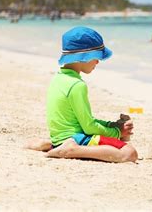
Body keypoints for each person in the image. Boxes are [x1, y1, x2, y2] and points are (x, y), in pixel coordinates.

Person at [26, 26, 138, 163]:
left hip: (59, 137)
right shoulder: (77, 85)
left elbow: (83, 120)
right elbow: (89, 127)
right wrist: (118, 132)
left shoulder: (58, 78)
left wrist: (112, 125)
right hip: (76, 138)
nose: (98, 61)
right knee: (129, 153)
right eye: (96, 57)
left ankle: (53, 144)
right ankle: (72, 150)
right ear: (84, 57)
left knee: (115, 137)